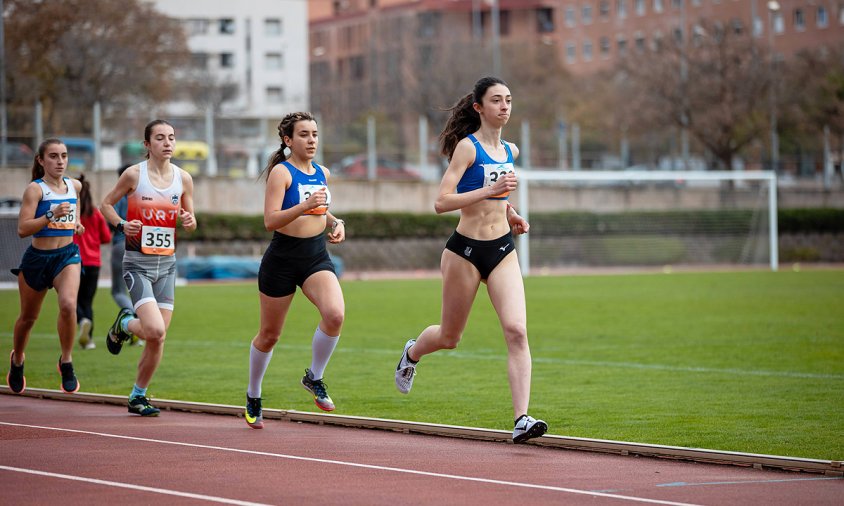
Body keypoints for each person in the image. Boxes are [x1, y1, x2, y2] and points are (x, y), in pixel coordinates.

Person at [394, 77, 548, 444]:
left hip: (501, 250)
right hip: (464, 251)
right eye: (496, 100)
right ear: (479, 107)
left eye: (509, 100)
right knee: (450, 337)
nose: (505, 106)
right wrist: (490, 191)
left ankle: (521, 419)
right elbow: (442, 201)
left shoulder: (511, 150)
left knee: (517, 331)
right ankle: (412, 353)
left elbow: (496, 198)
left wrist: (510, 213)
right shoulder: (467, 148)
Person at [244, 111, 346, 429]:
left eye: (315, 134)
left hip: (315, 257)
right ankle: (253, 394)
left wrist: (336, 221)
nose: (312, 140)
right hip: (282, 261)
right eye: (304, 134)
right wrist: (303, 206)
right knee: (270, 335)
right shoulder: (281, 173)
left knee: (335, 314)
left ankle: (314, 377)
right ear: (289, 141)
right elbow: (270, 219)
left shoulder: (322, 172)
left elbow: (321, 208)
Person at [100, 119, 197, 417]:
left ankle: (137, 396)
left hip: (167, 265)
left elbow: (189, 218)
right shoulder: (133, 175)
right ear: (147, 144)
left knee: (158, 336)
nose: (167, 143)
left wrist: (190, 221)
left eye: (171, 137)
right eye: (159, 138)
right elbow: (105, 204)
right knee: (153, 330)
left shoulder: (184, 178)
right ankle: (125, 323)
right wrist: (121, 224)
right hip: (137, 264)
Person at [7, 138, 84, 395]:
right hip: (38, 259)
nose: (60, 161)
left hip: (67, 256)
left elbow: (75, 212)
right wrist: (50, 215)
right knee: (28, 319)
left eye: (63, 155)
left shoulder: (75, 185)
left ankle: (67, 360)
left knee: (69, 305)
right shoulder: (35, 189)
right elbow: (22, 229)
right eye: (53, 156)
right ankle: (17, 359)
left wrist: (77, 224)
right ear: (41, 160)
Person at [73, 173, 111, 350]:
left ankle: (81, 320)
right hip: (94, 263)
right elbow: (106, 237)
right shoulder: (95, 213)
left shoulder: (70, 213)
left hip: (73, 261)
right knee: (87, 301)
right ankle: (88, 340)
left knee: (71, 300)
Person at [109, 164, 142, 347]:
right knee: (139, 292)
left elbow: (108, 216)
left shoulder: (119, 195)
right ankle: (139, 325)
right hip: (141, 247)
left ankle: (129, 320)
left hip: (122, 244)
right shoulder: (144, 195)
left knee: (118, 291)